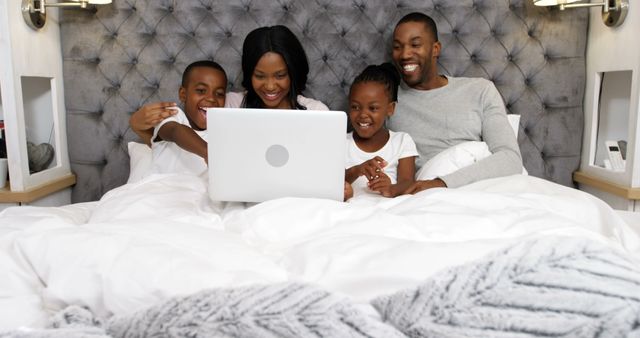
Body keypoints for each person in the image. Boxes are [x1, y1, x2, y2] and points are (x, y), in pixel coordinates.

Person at [388, 12, 523, 194]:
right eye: (397, 47)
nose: (404, 54)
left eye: (415, 45)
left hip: (484, 192)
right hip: (425, 201)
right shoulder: (386, 102)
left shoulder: (480, 90)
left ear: (435, 49)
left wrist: (441, 183)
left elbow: (510, 159)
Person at [130, 25, 328, 146]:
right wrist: (139, 127)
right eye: (259, 76)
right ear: (249, 73)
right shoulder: (228, 104)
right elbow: (179, 149)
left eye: (280, 75)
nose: (269, 86)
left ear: (293, 72)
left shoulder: (316, 111)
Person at [344, 63, 418, 200]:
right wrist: (356, 170)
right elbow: (330, 182)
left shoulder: (401, 141)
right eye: (355, 107)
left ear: (390, 109)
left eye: (373, 108)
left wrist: (391, 188)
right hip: (350, 210)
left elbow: (407, 182)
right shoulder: (340, 142)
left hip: (387, 210)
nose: (363, 115)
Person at [150, 60, 227, 176]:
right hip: (163, 190)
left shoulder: (223, 131)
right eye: (201, 91)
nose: (211, 99)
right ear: (183, 94)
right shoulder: (173, 115)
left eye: (219, 93)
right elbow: (176, 131)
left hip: (202, 192)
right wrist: (208, 153)